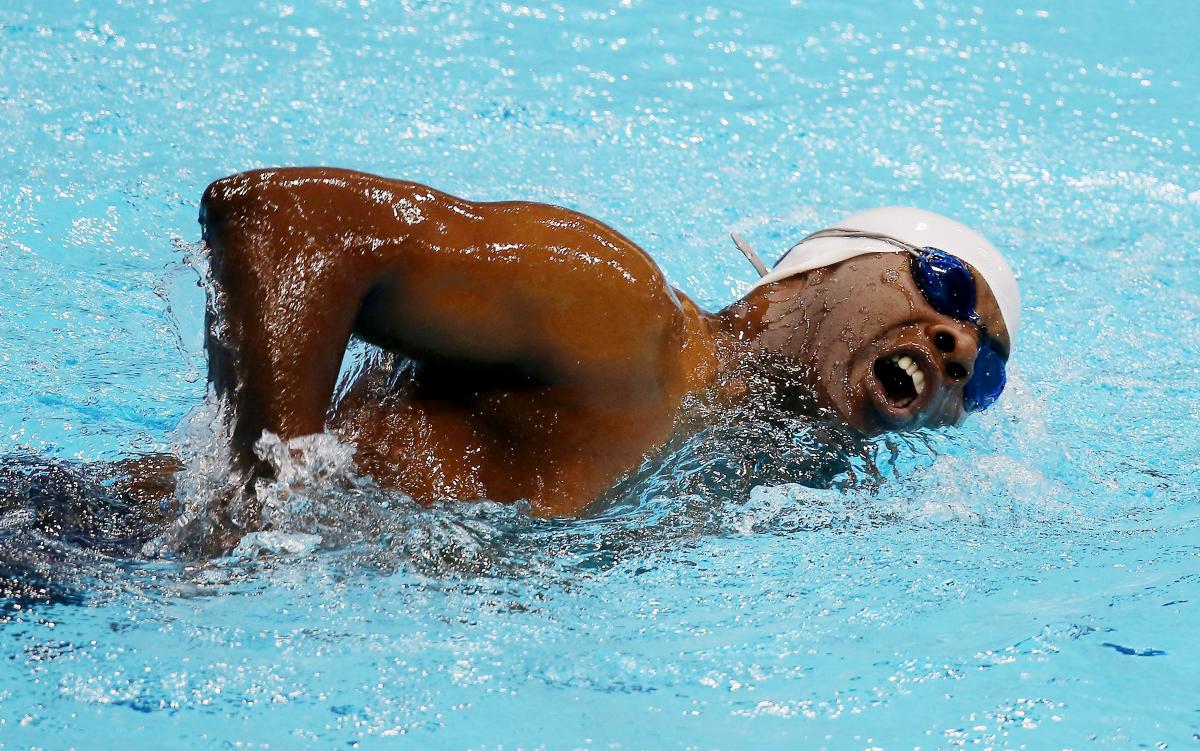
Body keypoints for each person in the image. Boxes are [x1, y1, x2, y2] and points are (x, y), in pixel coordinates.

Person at [198, 167, 1019, 519]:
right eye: (943, 285)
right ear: (820, 269)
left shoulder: (752, 481)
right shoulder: (622, 316)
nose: (958, 345)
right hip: (103, 556)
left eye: (983, 375)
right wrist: (268, 507)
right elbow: (285, 221)